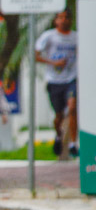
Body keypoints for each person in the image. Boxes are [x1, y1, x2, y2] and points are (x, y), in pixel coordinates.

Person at [35, 9, 78, 158]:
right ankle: (59, 136)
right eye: (61, 17)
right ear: (55, 20)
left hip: (71, 79)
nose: (64, 20)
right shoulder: (49, 36)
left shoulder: (76, 37)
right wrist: (54, 62)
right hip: (54, 80)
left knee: (72, 108)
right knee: (58, 115)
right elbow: (36, 55)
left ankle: (73, 144)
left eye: (67, 17)